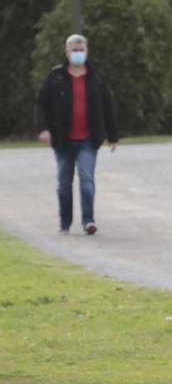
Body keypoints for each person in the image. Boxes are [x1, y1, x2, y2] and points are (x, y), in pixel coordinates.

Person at [33, 33, 119, 236]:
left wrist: (113, 135)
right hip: (63, 140)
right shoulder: (56, 77)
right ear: (67, 52)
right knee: (64, 183)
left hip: (88, 139)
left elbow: (107, 106)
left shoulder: (96, 78)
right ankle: (65, 222)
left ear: (87, 51)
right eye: (75, 50)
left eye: (82, 50)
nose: (78, 54)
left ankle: (88, 220)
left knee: (86, 179)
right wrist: (43, 128)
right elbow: (42, 104)